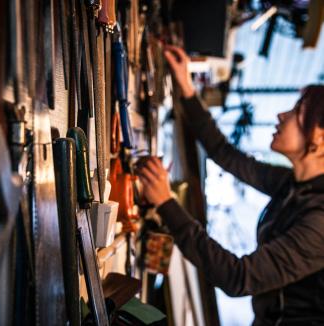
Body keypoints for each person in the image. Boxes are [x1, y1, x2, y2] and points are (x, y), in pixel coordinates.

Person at [137, 45, 324, 325]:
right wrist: (187, 89)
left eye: (297, 112)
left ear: (319, 138)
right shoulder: (296, 185)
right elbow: (225, 154)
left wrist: (166, 203)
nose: (281, 115)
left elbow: (238, 277)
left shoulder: (319, 221)